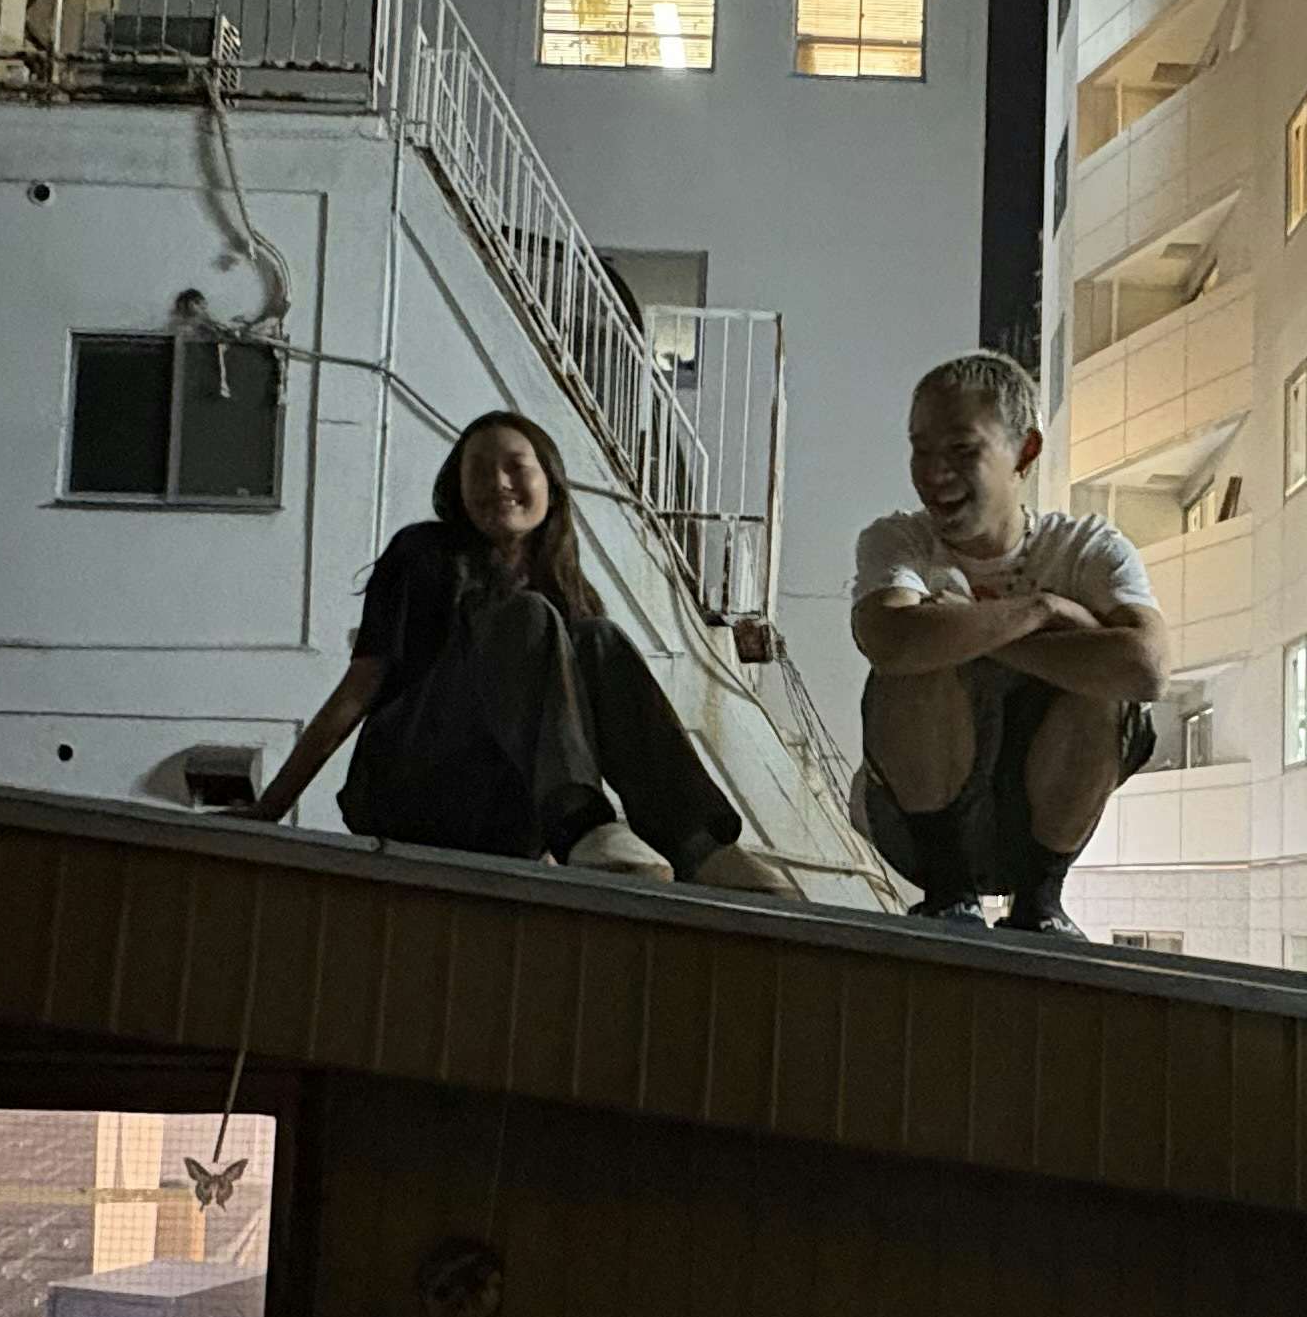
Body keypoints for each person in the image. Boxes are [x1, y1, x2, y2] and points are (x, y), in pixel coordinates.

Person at [237, 411, 797, 894]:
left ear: (549, 483)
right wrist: (271, 807)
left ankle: (697, 844)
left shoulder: (568, 590)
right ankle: (580, 823)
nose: (498, 482)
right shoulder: (424, 552)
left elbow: (565, 734)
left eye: (515, 466)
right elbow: (360, 686)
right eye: (478, 470)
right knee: (524, 616)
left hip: (499, 815)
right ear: (456, 488)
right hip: (411, 787)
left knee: (598, 637)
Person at [851, 351, 1169, 933]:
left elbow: (1146, 669)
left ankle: (1040, 904)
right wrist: (1045, 614)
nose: (933, 473)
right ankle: (948, 893)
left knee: (1106, 688)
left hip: (1038, 827)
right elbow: (889, 640)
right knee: (917, 657)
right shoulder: (899, 541)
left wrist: (986, 624)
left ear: (1024, 452)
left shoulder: (1088, 549)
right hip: (914, 830)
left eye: (961, 450)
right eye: (920, 449)